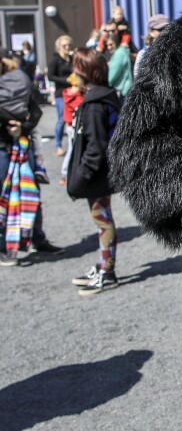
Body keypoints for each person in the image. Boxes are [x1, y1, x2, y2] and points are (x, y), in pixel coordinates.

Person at [66, 48, 121, 296]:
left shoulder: (96, 104)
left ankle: (107, 272)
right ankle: (102, 265)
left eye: (76, 71)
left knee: (102, 219)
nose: (72, 75)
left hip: (98, 174)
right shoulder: (99, 98)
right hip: (100, 172)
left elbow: (96, 148)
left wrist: (80, 179)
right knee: (102, 217)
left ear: (86, 73)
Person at [0, 56, 44, 266]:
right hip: (4, 147)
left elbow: (36, 111)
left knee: (31, 193)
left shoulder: (17, 82)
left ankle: (37, 238)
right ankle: (5, 247)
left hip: (21, 145)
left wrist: (21, 128)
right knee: (4, 198)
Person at [47, 35, 74, 156]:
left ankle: (72, 144)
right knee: (62, 119)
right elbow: (50, 76)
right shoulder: (55, 59)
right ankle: (58, 145)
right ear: (59, 47)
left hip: (73, 92)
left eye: (69, 45)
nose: (67, 47)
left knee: (73, 119)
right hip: (61, 93)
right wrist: (66, 80)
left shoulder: (72, 58)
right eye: (64, 45)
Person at [105, 32, 132, 99]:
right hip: (125, 89)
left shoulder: (118, 54)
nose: (109, 47)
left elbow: (112, 77)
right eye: (107, 45)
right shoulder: (122, 52)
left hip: (122, 91)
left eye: (111, 44)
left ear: (116, 42)